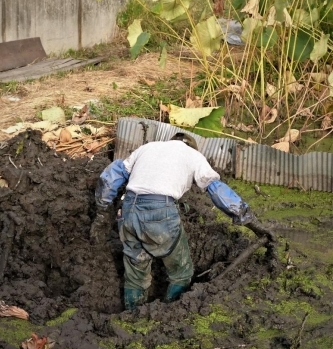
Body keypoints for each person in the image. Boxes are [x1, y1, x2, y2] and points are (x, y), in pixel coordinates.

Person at [91, 132, 275, 311]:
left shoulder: (147, 148)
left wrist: (101, 214)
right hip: (160, 213)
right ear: (191, 146)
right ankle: (170, 314)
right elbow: (217, 190)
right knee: (182, 273)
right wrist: (250, 222)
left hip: (128, 210)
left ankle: (133, 316)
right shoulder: (193, 155)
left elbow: (110, 178)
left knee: (136, 275)